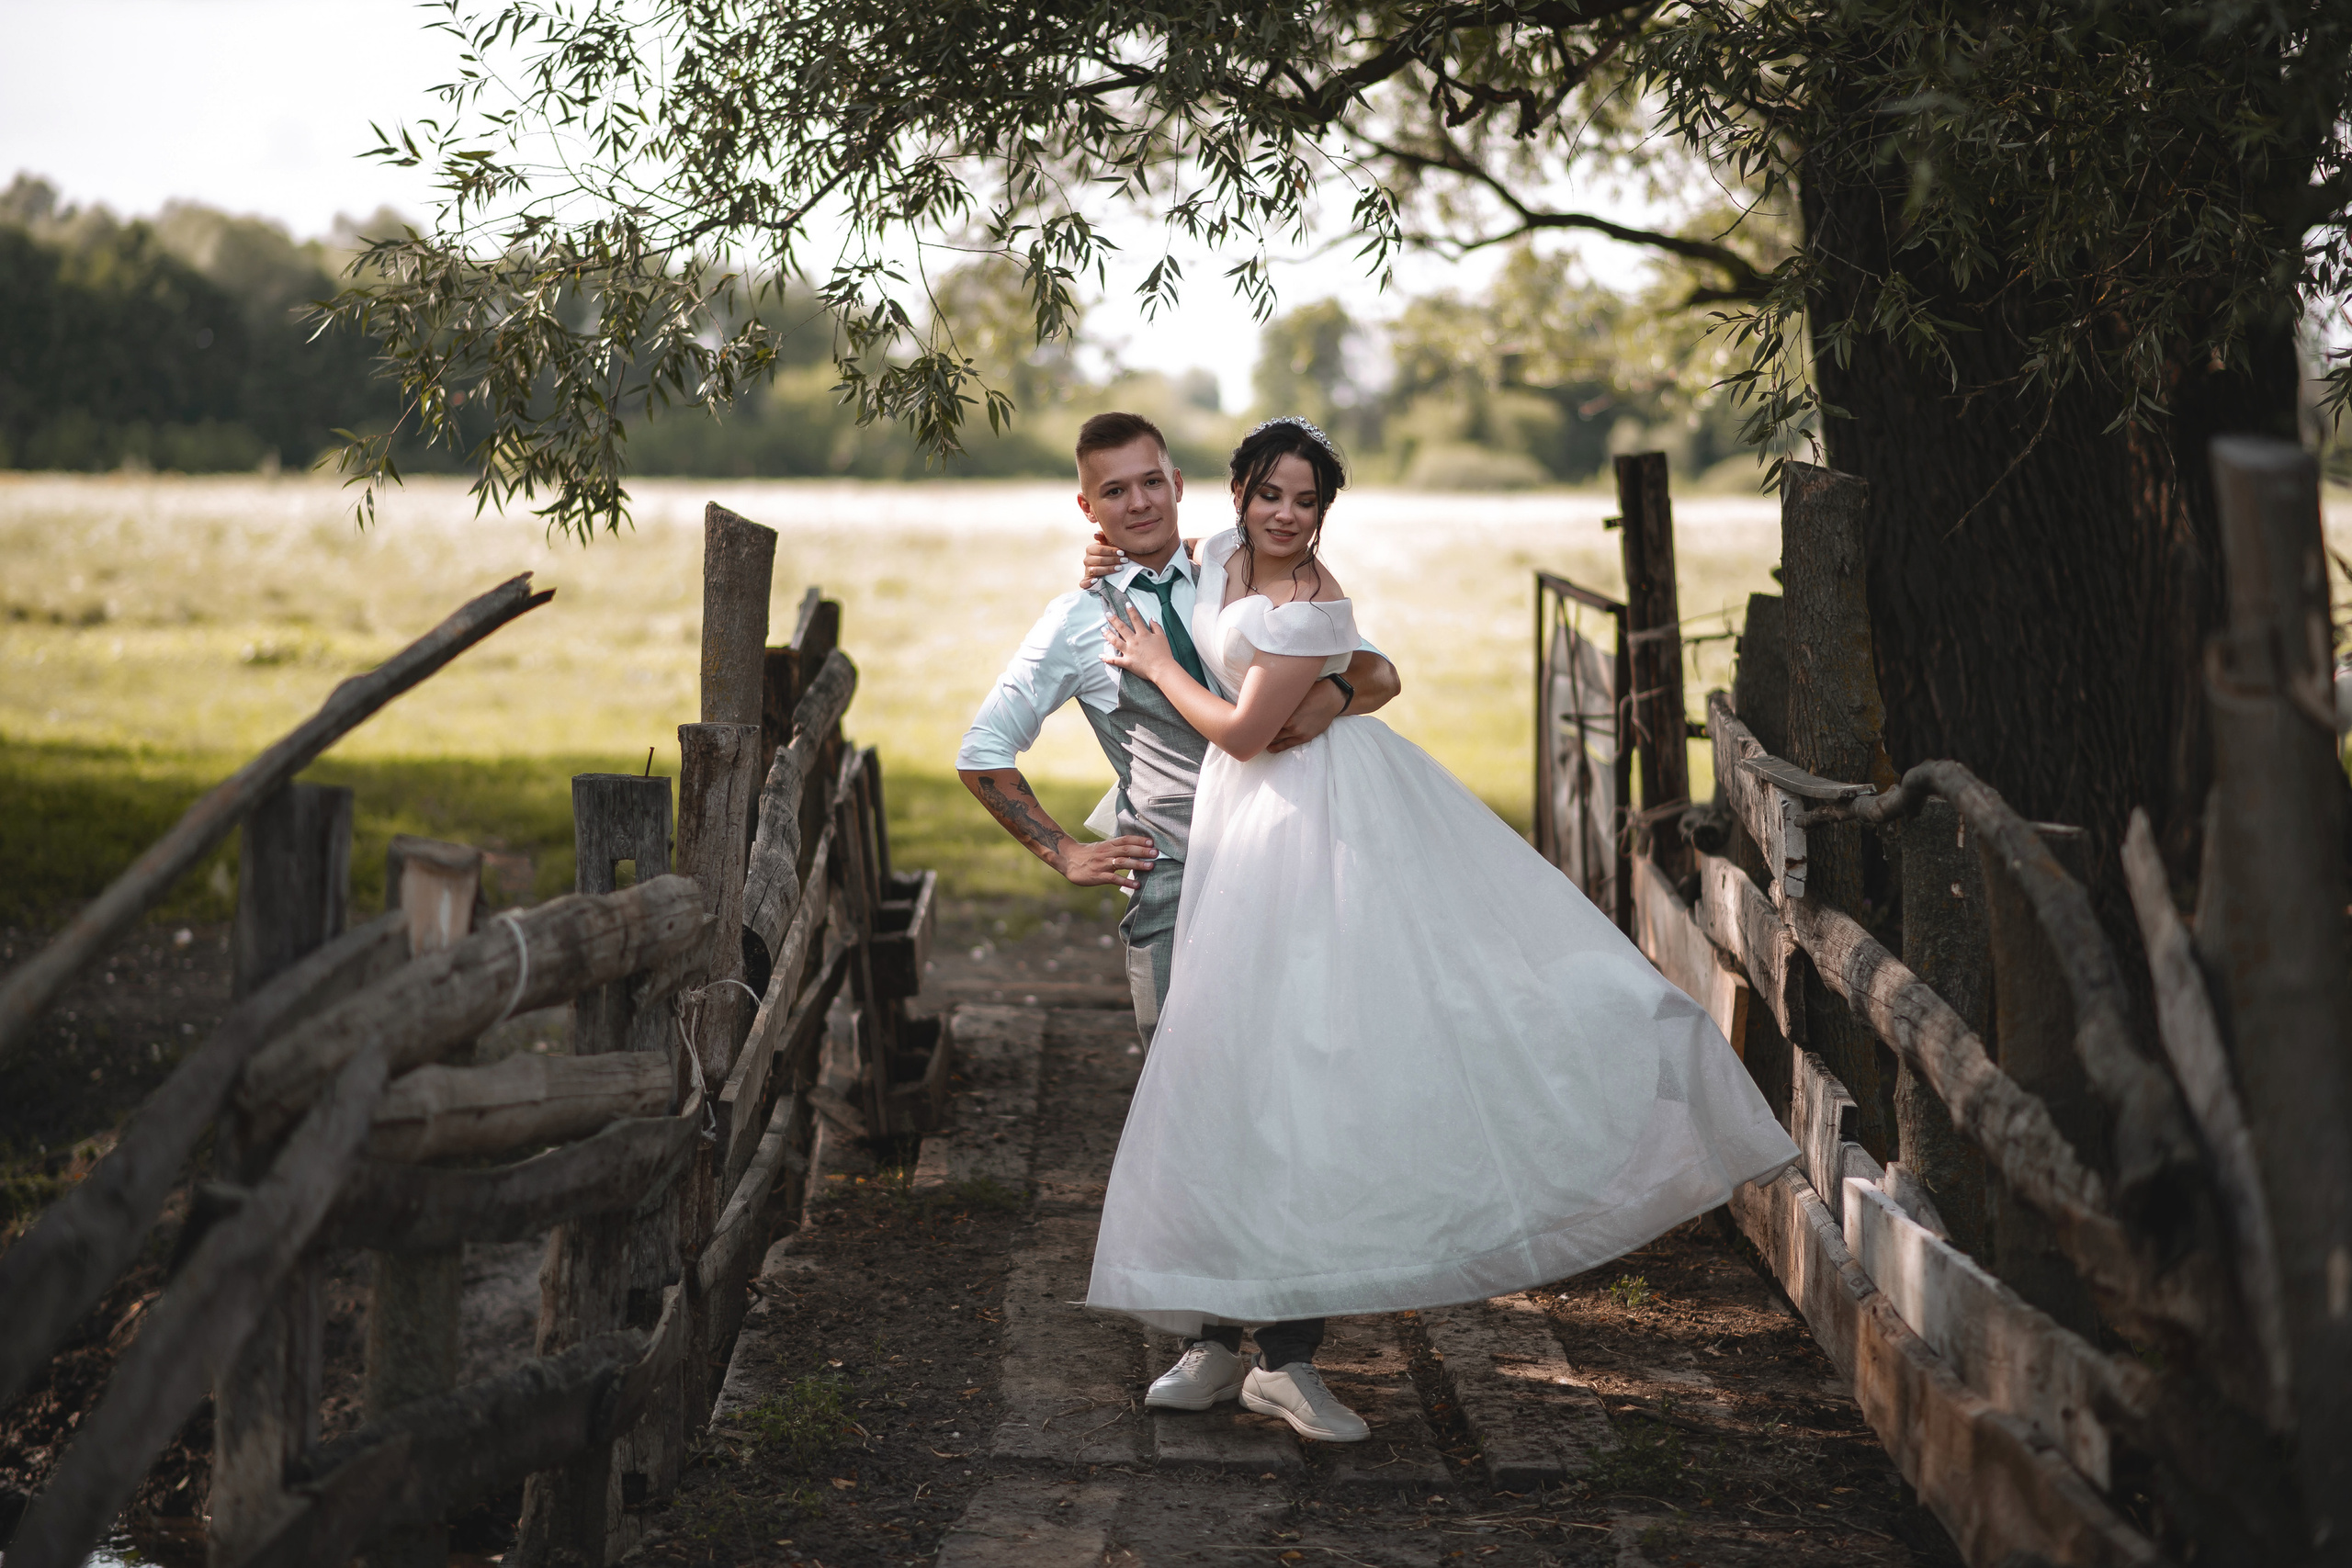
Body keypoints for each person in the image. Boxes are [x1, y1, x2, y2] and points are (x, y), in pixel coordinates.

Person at [1080, 415, 1801, 1442]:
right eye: (1271, 494)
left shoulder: (1309, 602)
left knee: (1311, 1063)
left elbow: (1248, 731)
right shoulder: (1218, 557)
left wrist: (1176, 668)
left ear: (1327, 512)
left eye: (1307, 501)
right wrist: (1109, 559)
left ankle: (1290, 1359)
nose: (1286, 515)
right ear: (1237, 494)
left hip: (1311, 828)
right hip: (1241, 842)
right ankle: (1216, 1340)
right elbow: (1360, 670)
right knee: (1224, 1062)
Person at [955, 412, 1404, 1432]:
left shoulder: (1232, 568)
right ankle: (1210, 1343)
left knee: (1297, 1112)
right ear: (1088, 507)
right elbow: (983, 750)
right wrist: (1063, 851)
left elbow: (1373, 670)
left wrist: (1328, 699)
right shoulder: (1075, 622)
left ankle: (1288, 1358)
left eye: (1151, 481)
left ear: (1180, 482)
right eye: (1114, 491)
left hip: (1289, 880)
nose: (1138, 502)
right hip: (1171, 898)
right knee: (1191, 1114)